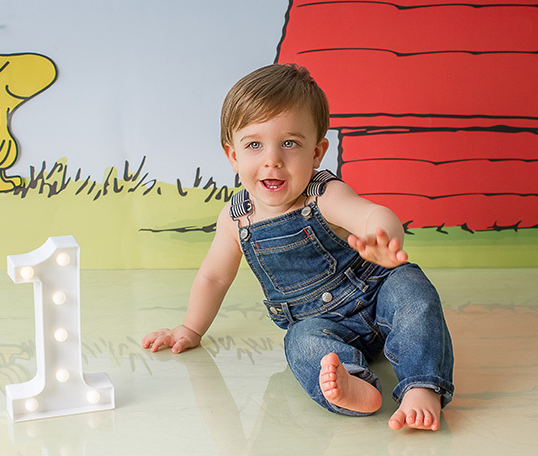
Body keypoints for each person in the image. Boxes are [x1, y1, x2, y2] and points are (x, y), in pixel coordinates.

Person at [142, 63, 454, 431]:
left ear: (317, 153)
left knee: (413, 291)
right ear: (233, 155)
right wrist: (190, 329)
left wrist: (382, 238)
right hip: (319, 323)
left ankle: (422, 387)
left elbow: (371, 214)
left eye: (290, 143)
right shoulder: (236, 219)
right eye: (254, 144)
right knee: (300, 343)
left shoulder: (324, 195)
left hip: (377, 293)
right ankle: (353, 385)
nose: (272, 159)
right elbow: (213, 277)